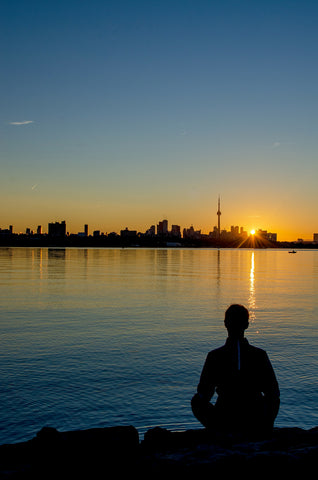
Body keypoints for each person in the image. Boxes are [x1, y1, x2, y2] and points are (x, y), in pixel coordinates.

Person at [191, 304, 280, 435]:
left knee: (196, 401)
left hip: (224, 417)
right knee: (273, 398)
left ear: (225, 324)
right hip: (255, 417)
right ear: (247, 325)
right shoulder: (259, 355)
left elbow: (204, 393)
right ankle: (262, 429)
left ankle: (218, 430)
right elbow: (272, 392)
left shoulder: (215, 356)